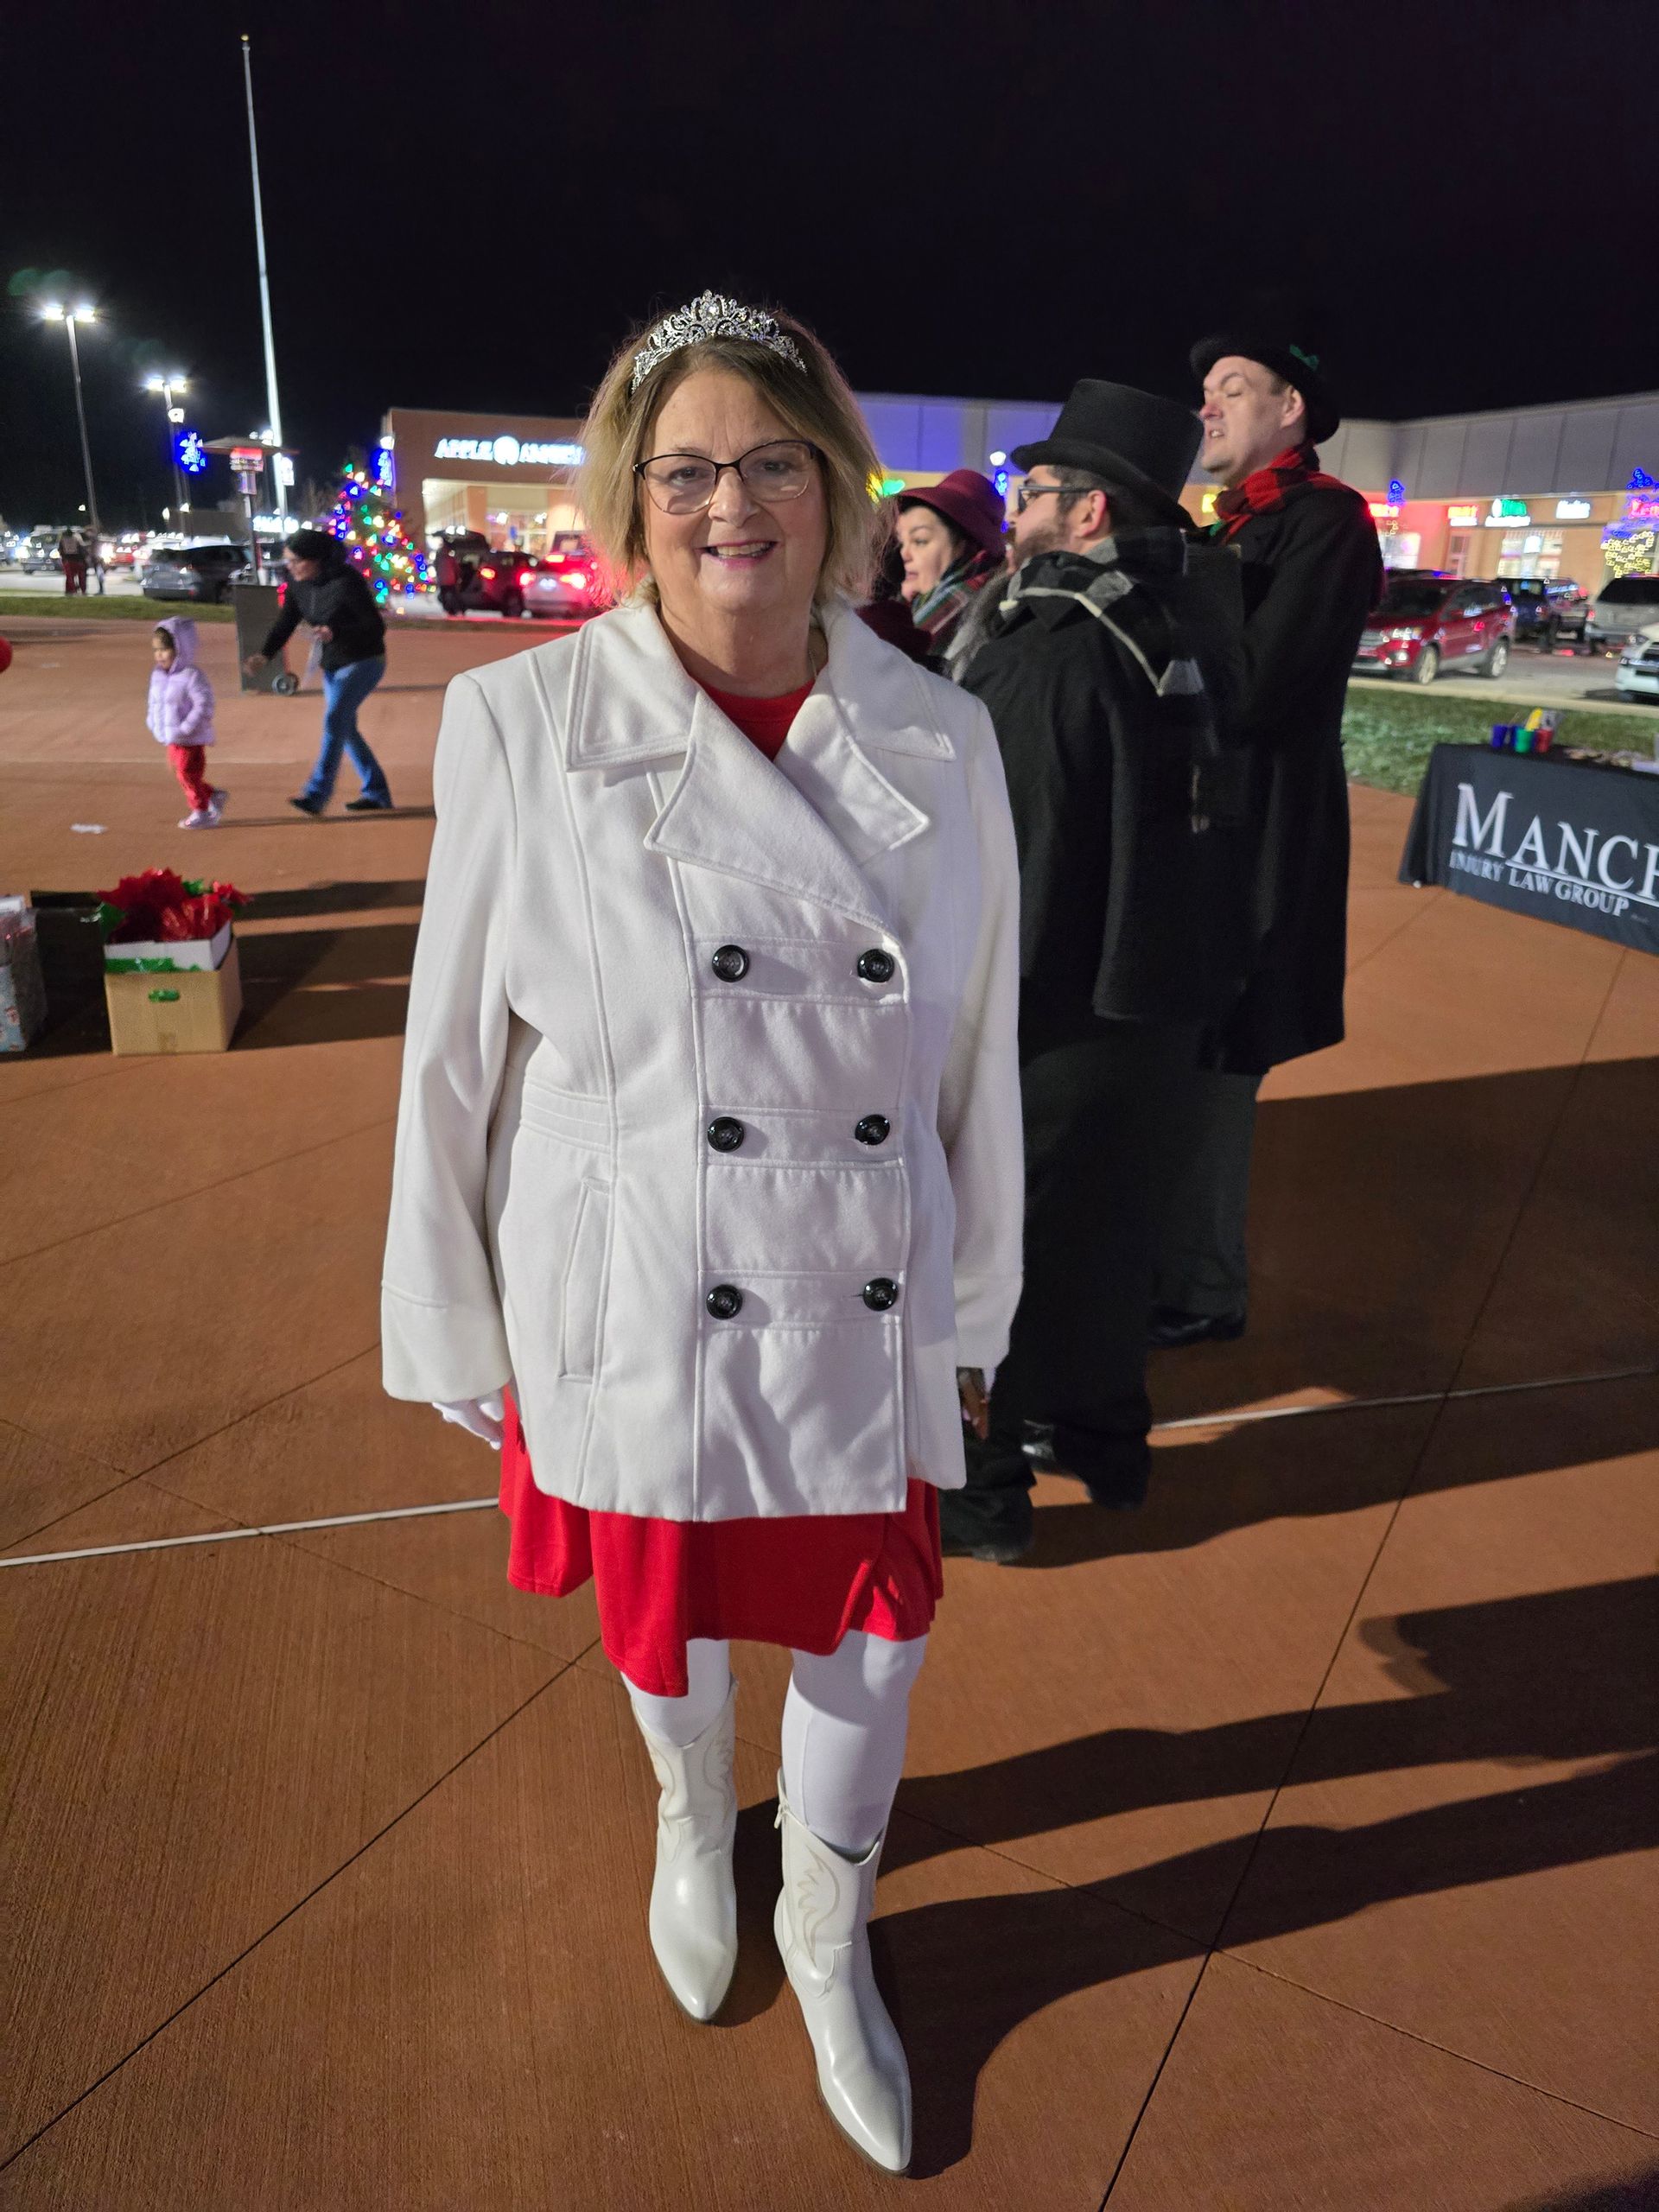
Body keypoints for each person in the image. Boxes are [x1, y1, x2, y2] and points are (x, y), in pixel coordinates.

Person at [380, 290, 1022, 2174]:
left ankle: (825, 1923)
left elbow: (973, 1044)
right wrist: (451, 1313)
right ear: (630, 503)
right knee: (664, 1612)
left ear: (835, 489)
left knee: (873, 1640)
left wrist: (977, 1314)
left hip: (860, 1276)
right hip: (639, 1270)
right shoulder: (522, 721)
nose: (728, 504)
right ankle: (689, 1817)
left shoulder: (946, 733)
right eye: (682, 472)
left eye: (769, 463)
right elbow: (450, 1051)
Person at [939, 378, 1249, 1563]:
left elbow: (1009, 851)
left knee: (994, 1243)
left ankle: (979, 1490)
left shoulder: (1053, 649)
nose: (1016, 511)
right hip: (1162, 997)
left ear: (1090, 512)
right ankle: (1104, 1439)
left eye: (1034, 492)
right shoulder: (1195, 615)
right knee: (1115, 1234)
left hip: (1053, 999)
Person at [1150, 335, 1381, 1348]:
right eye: (1205, 391)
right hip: (1207, 837)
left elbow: (1256, 684)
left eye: (1233, 389)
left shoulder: (1327, 522)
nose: (1207, 407)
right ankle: (1175, 1268)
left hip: (1260, 846)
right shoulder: (1231, 523)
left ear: (1293, 407)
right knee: (1183, 1055)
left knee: (1221, 1057)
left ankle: (1204, 1289)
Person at [244, 529, 395, 815]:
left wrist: (335, 630)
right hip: (333, 664)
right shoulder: (298, 584)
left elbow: (375, 626)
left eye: (296, 560)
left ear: (316, 560)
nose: (290, 566)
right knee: (345, 729)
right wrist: (265, 655)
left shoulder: (346, 582)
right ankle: (377, 793)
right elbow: (286, 622)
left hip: (364, 661)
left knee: (335, 721)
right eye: (287, 560)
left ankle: (316, 795)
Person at [893, 469, 1007, 658]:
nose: (905, 553)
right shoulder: (927, 595)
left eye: (921, 540)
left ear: (964, 545)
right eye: (902, 542)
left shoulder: (968, 600)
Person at [146, 620, 225, 829]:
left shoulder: (192, 676)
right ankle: (212, 795)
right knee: (182, 775)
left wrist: (186, 727)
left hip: (190, 739)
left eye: (164, 650)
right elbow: (154, 703)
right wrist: (153, 722)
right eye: (156, 650)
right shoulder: (157, 676)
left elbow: (204, 704)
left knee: (187, 774)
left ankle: (201, 811)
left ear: (179, 649)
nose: (159, 655)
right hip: (172, 738)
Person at [58, 527, 87, 595]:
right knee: (80, 576)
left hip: (67, 560)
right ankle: (82, 589)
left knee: (69, 577)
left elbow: (60, 550)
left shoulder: (62, 539)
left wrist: (63, 558)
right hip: (77, 559)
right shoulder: (76, 538)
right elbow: (81, 548)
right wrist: (83, 559)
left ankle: (71, 590)